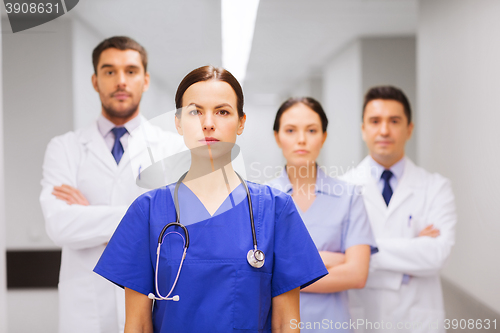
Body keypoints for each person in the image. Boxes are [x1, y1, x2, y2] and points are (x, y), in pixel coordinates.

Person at [93, 66, 328, 333]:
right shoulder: (147, 212)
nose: (208, 123)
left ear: (241, 122)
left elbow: (287, 324)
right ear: (179, 123)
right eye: (195, 112)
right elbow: (138, 325)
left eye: (222, 111)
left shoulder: (276, 210)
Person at [40, 36, 184, 333]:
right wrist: (142, 218)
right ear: (95, 80)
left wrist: (90, 216)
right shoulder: (65, 147)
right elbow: (59, 225)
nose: (121, 81)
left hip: (151, 296)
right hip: (84, 305)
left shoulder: (172, 147)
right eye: (109, 71)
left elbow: (176, 225)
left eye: (130, 71)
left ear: (145, 80)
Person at [341, 86, 456, 333]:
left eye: (394, 121)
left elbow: (437, 255)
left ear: (409, 129)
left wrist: (361, 251)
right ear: (363, 129)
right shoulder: (342, 188)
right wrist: (412, 246)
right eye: (375, 121)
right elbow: (336, 257)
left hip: (417, 319)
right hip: (361, 317)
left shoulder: (436, 187)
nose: (384, 130)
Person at [267, 97, 377, 332]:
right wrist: (330, 261)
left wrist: (282, 273)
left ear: (324, 136)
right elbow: (256, 275)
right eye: (290, 130)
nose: (301, 139)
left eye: (312, 130)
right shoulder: (262, 199)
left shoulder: (349, 196)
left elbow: (357, 274)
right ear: (277, 137)